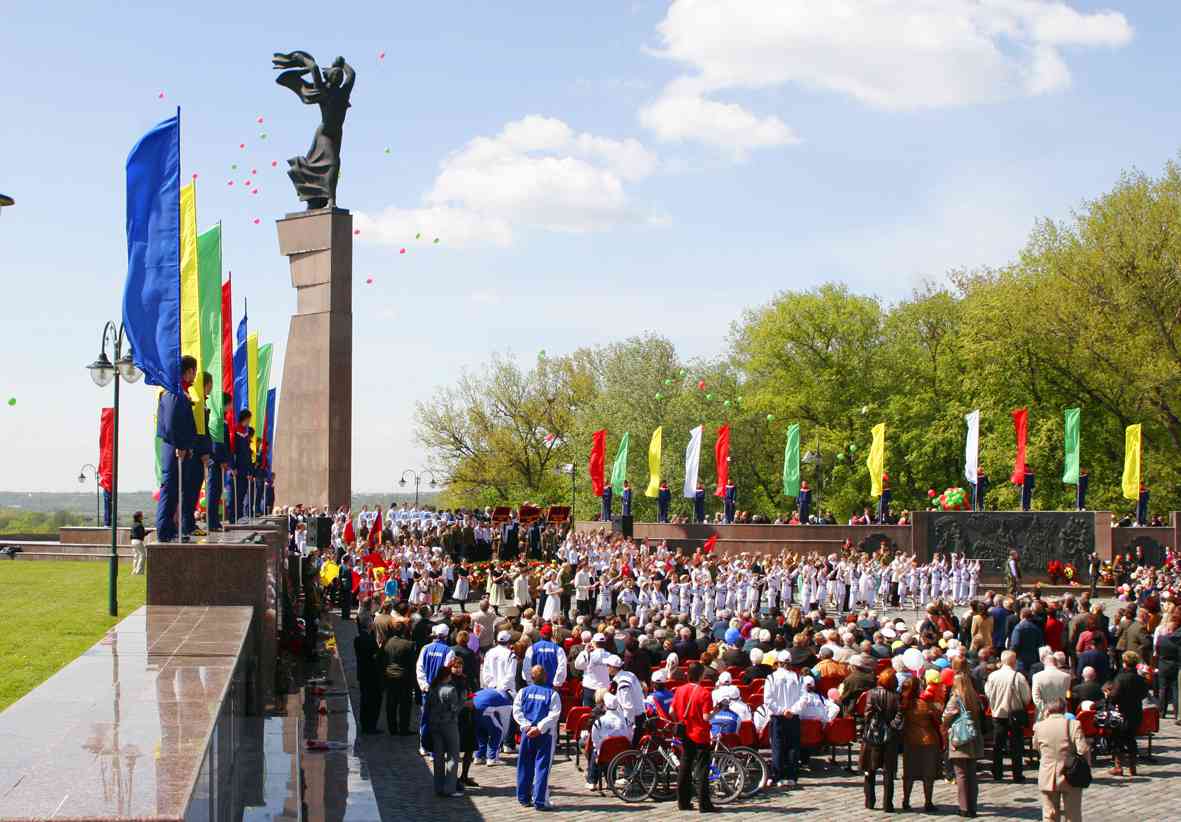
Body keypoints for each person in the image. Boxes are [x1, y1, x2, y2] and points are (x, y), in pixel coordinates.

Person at [155, 355, 199, 542]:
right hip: (174, 449)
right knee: (170, 489)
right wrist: (180, 445)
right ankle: (164, 532)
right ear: (187, 371)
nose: (195, 376)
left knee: (176, 491)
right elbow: (171, 422)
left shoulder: (181, 391)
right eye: (193, 372)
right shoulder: (173, 392)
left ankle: (172, 530)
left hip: (180, 449)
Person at [513, 664, 562, 810]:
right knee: (542, 768)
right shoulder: (552, 694)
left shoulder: (523, 692)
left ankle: (523, 798)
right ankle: (540, 800)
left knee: (524, 765)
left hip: (527, 734)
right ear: (546, 677)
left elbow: (516, 710)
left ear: (531, 677)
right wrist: (539, 728)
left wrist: (526, 725)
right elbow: (554, 715)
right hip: (544, 735)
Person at [670, 662, 718, 812]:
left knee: (685, 766)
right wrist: (716, 710)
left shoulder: (679, 690)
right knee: (702, 770)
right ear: (701, 675)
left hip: (685, 732)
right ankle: (704, 803)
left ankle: (683, 802)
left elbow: (672, 710)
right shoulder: (704, 693)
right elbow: (705, 717)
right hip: (700, 734)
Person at [1032, 697, 1089, 822]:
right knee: (1072, 814)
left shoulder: (1039, 726)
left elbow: (1036, 746)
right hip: (1070, 773)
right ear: (1064, 710)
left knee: (1049, 814)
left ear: (1047, 710)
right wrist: (1086, 767)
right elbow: (1083, 749)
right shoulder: (1073, 724)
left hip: (1047, 774)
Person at [942, 672, 984, 818]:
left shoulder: (956, 699)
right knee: (972, 774)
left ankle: (964, 807)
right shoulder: (975, 698)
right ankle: (973, 805)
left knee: (961, 774)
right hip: (973, 738)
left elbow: (946, 717)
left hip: (959, 738)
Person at [860, 668, 901, 812]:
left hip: (873, 735)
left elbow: (867, 714)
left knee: (870, 769)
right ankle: (887, 804)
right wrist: (891, 727)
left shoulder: (872, 693)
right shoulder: (896, 696)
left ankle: (870, 801)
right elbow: (900, 716)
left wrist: (873, 725)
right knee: (888, 772)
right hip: (890, 737)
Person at [899, 674, 941, 812]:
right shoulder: (924, 704)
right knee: (928, 774)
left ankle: (906, 800)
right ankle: (928, 801)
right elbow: (937, 718)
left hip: (910, 741)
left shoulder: (903, 705)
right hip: (928, 740)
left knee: (909, 774)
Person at [763, 651, 804, 789]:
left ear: (778, 663)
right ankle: (791, 776)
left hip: (778, 717)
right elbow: (803, 698)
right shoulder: (798, 677)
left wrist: (782, 710)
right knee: (793, 747)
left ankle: (778, 776)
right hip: (793, 717)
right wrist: (792, 710)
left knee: (778, 747)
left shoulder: (771, 678)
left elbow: (767, 700)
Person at [416, 623, 457, 756]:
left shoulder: (425, 648)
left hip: (427, 691)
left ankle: (423, 746)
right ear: (446, 636)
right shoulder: (449, 651)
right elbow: (446, 671)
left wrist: (424, 685)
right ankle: (437, 749)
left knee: (425, 718)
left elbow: (419, 668)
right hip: (440, 691)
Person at [1106, 650, 1148, 776]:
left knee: (1118, 739)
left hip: (1122, 713)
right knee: (1131, 739)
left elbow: (1114, 697)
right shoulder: (1141, 679)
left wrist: (1108, 694)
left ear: (1125, 663)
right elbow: (1144, 694)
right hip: (1136, 712)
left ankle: (1118, 767)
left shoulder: (1121, 678)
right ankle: (1132, 767)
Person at [427, 661, 464, 797]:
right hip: (449, 724)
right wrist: (463, 701)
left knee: (438, 757)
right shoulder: (451, 690)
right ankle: (449, 788)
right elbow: (455, 710)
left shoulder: (433, 688)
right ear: (447, 676)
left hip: (434, 724)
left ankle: (438, 787)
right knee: (453, 756)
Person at [378, 619, 417, 735]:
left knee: (391, 703)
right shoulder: (409, 644)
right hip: (404, 678)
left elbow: (379, 659)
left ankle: (392, 728)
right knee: (405, 705)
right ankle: (404, 728)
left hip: (390, 676)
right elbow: (412, 664)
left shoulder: (386, 642)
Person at [353, 616, 382, 733]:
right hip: (372, 674)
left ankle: (365, 724)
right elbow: (375, 657)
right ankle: (371, 726)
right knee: (373, 700)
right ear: (369, 625)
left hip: (362, 673)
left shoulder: (358, 639)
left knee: (364, 699)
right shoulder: (370, 640)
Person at [1032, 651, 1072, 721]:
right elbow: (1067, 695)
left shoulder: (1036, 676)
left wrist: (1046, 709)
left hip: (1043, 715)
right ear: (1056, 663)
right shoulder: (1067, 677)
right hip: (1061, 713)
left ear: (1044, 664)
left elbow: (1036, 697)